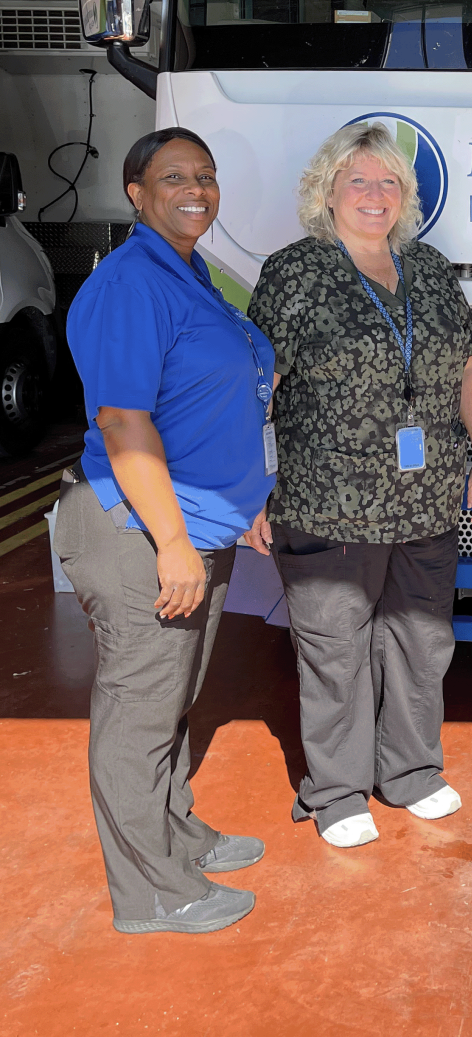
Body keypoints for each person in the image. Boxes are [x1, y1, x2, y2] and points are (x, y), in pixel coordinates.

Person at [245, 122, 472, 849]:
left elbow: (468, 369)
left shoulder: (430, 268)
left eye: (389, 182)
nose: (375, 194)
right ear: (327, 190)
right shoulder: (296, 272)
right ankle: (336, 789)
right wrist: (250, 488)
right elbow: (261, 385)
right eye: (358, 180)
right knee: (334, 649)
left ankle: (413, 771)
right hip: (327, 499)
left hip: (426, 497)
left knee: (421, 644)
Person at [59, 128, 276, 934]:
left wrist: (247, 494)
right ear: (135, 191)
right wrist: (176, 542)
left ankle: (174, 832)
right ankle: (153, 891)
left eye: (207, 176)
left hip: (196, 523)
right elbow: (123, 419)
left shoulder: (190, 273)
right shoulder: (131, 283)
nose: (197, 189)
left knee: (173, 698)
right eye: (174, 176)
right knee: (140, 709)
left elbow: (222, 396)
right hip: (140, 529)